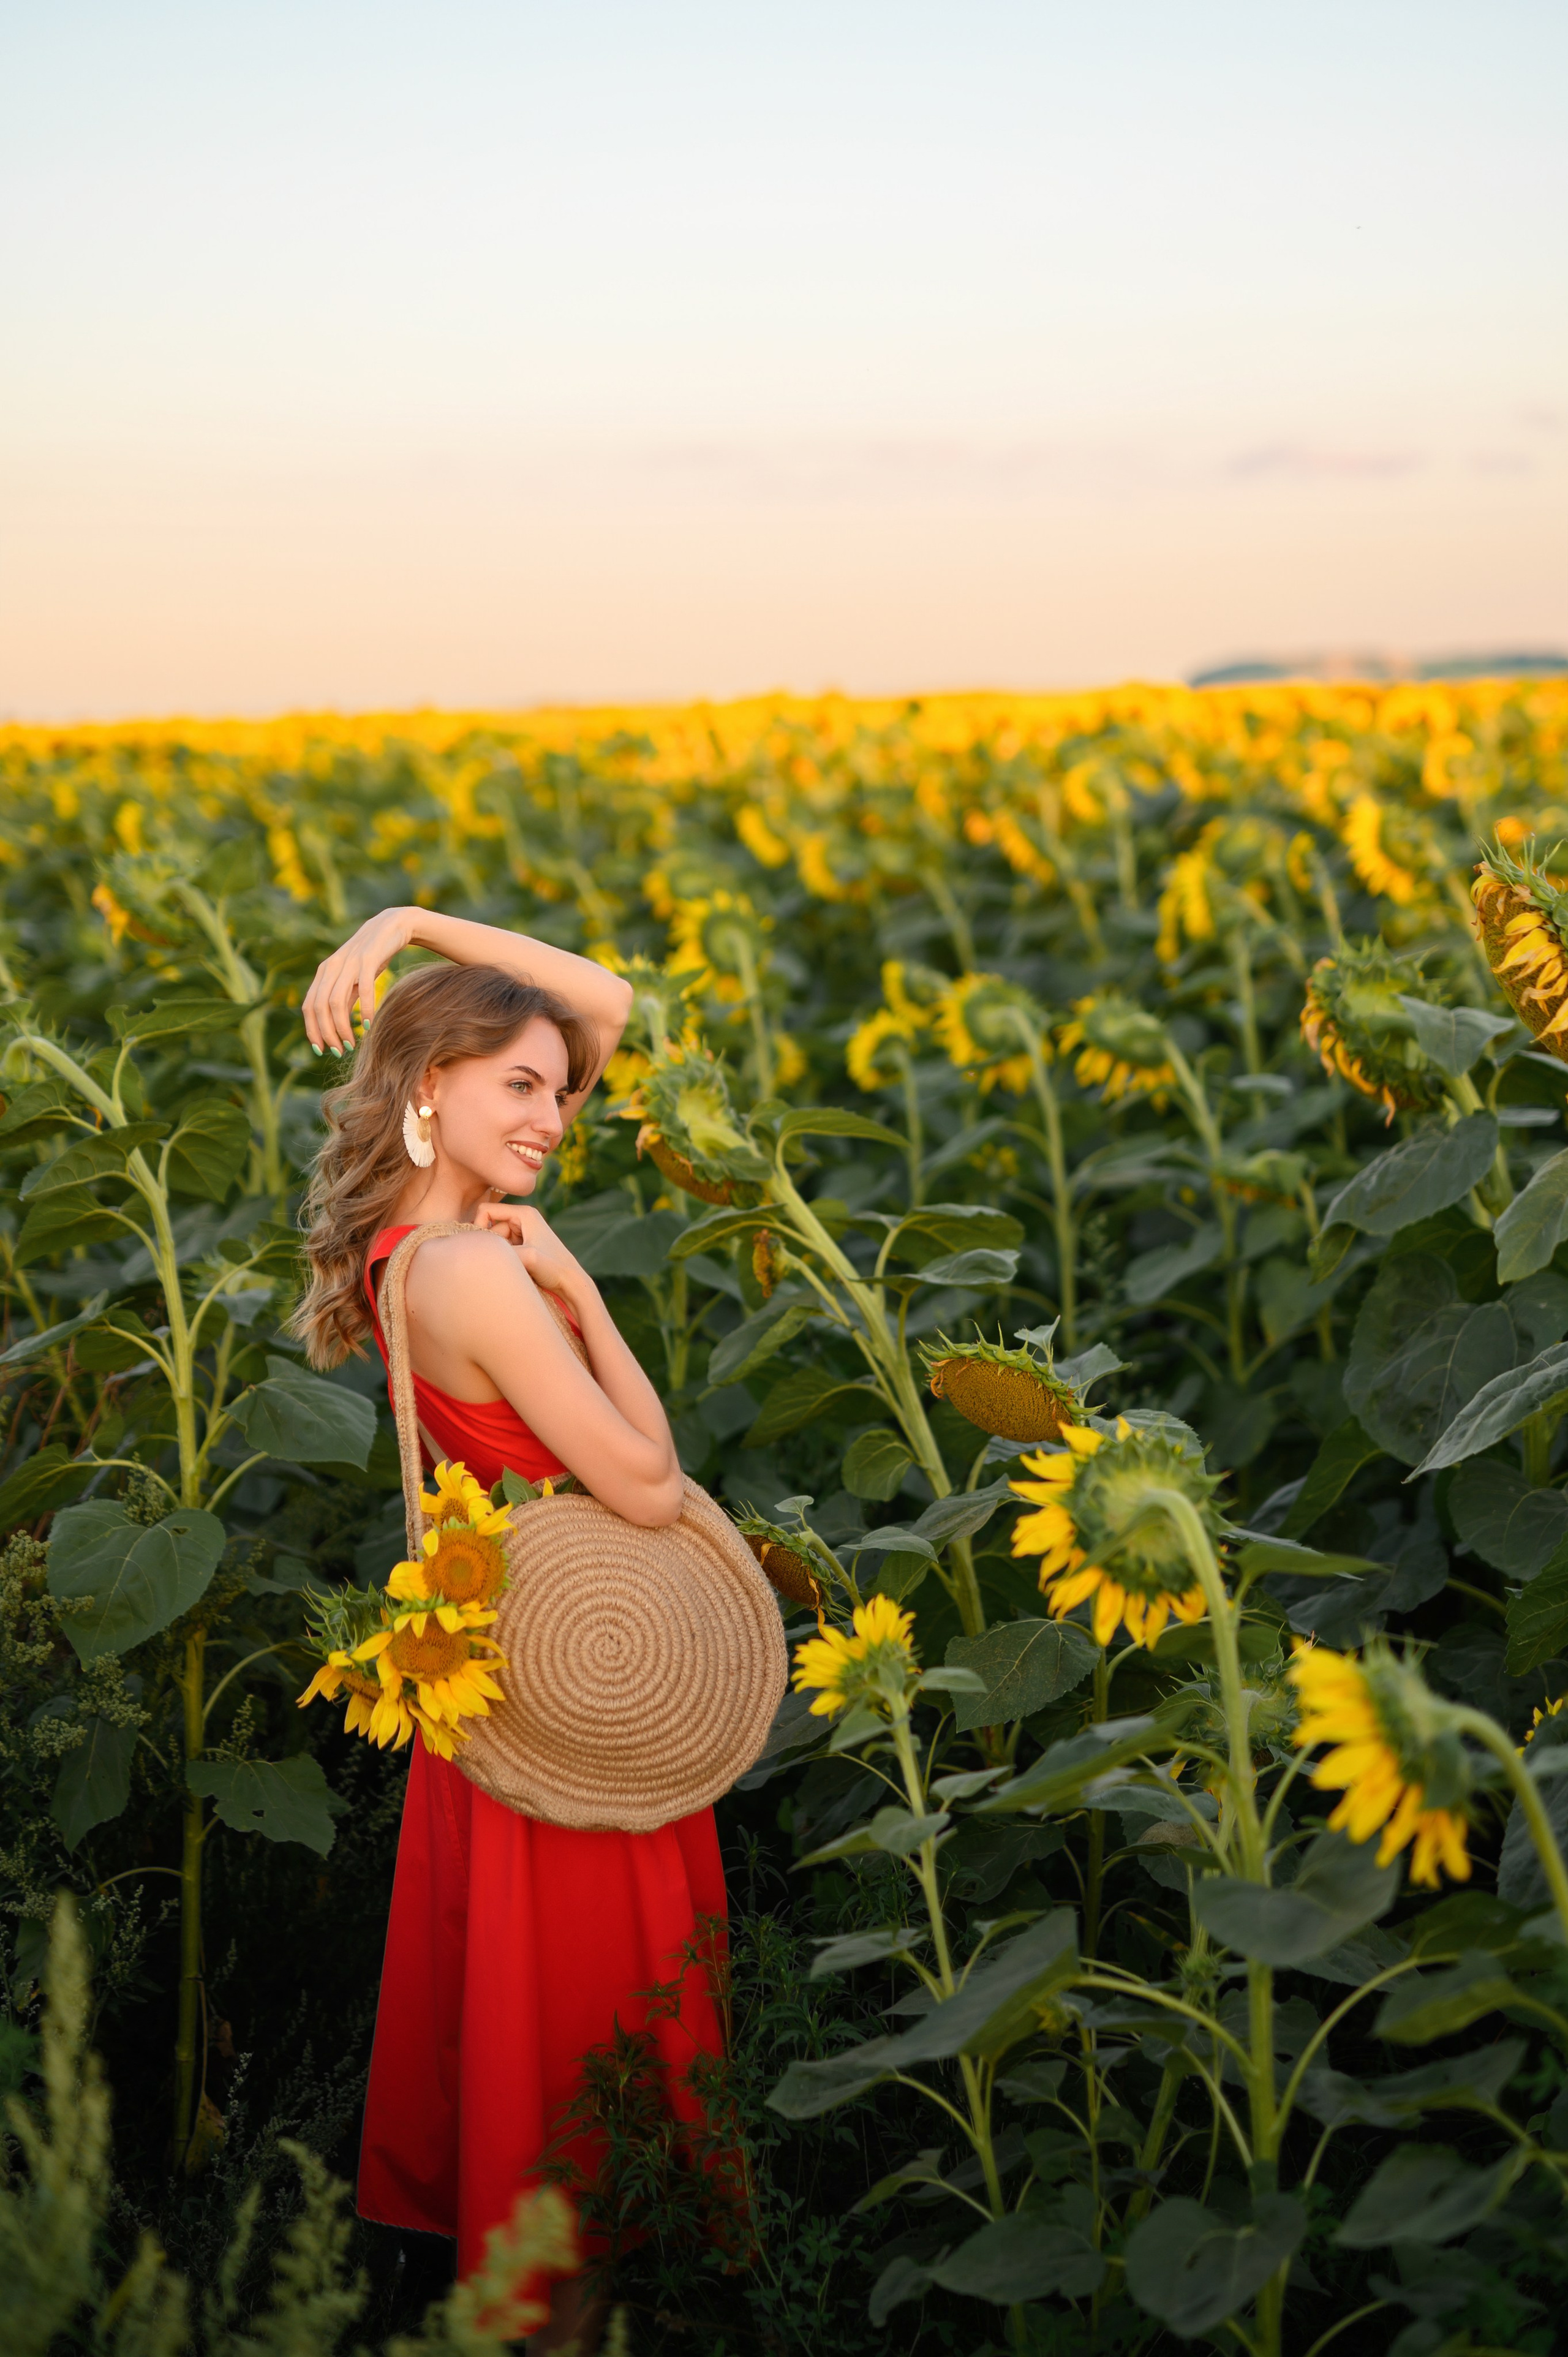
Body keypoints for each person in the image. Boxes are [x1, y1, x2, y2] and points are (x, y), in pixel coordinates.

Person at [295, 908, 728, 2356]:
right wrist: (589, 1298)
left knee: (524, 2062)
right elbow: (650, 1486)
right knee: (593, 2073)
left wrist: (412, 922)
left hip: (494, 1695)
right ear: (430, 1087)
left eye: (558, 1088)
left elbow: (601, 1000)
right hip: (585, 1691)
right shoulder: (486, 1270)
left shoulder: (395, 1250)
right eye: (517, 1087)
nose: (554, 1113)